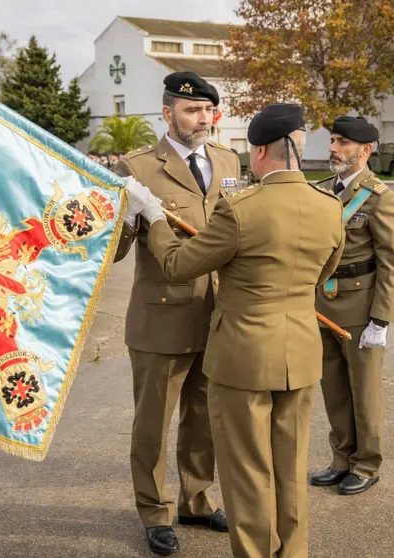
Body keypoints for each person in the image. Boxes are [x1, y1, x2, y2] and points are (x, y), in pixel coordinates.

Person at [124, 103, 345, 558]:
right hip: (300, 353)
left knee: (248, 474)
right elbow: (324, 274)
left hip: (243, 355)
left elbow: (177, 263)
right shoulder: (330, 207)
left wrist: (156, 217)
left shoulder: (242, 208)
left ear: (261, 151)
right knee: (290, 467)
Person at [112, 70, 240, 556]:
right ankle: (154, 511)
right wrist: (128, 219)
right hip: (160, 318)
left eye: (208, 110)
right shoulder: (137, 168)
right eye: (192, 110)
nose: (202, 118)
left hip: (216, 314)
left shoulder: (227, 159)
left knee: (204, 417)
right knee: (153, 423)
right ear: (167, 114)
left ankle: (196, 500)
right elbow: (117, 252)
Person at [310, 116, 394, 496]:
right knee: (333, 389)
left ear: (364, 151)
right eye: (333, 140)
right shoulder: (321, 191)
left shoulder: (383, 199)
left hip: (360, 309)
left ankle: (366, 464)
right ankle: (340, 459)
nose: (333, 148)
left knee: (363, 392)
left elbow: (392, 264)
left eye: (343, 143)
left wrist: (380, 320)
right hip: (322, 305)